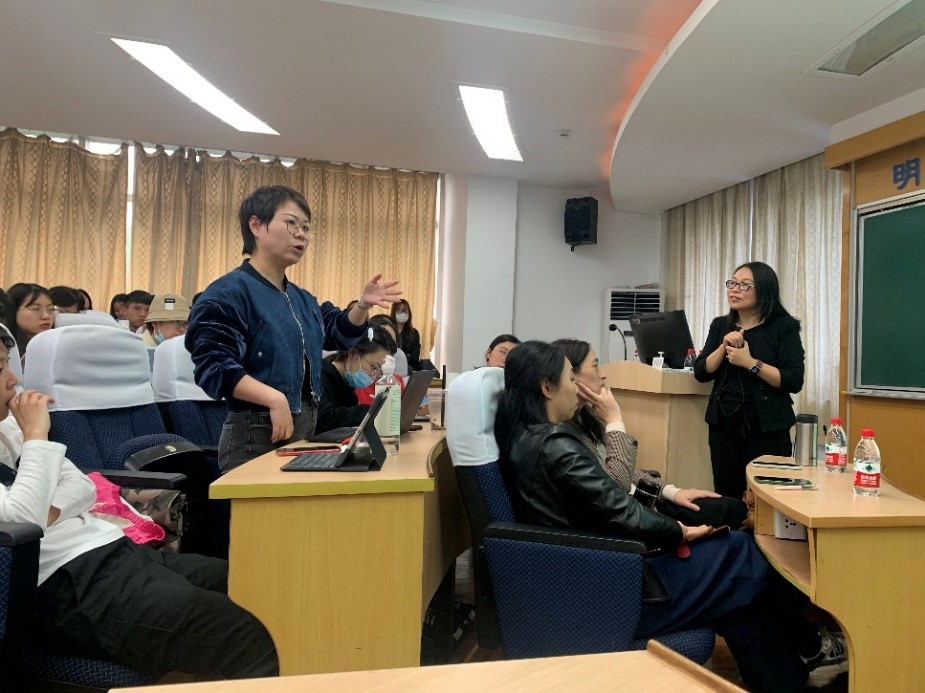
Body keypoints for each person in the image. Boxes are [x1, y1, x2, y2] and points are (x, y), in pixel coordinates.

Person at [495, 340, 847, 691]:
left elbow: (607, 498)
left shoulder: (527, 437)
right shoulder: (555, 444)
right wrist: (679, 531)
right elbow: (621, 508)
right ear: (547, 387)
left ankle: (794, 678)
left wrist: (670, 506)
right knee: (743, 552)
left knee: (737, 596)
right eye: (570, 379)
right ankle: (811, 649)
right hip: (615, 584)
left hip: (598, 572)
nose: (577, 387)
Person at [0, 333, 279, 679]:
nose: (13, 380)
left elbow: (83, 487)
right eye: (0, 369)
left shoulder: (8, 427)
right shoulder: (28, 431)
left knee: (263, 588)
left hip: (113, 549)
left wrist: (45, 508)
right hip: (64, 584)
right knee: (247, 631)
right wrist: (36, 438)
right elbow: (24, 523)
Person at [185, 185, 401, 473]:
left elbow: (339, 334)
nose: (302, 234)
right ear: (256, 225)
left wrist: (362, 305)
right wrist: (274, 398)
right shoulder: (228, 292)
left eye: (306, 228)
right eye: (291, 223)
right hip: (254, 439)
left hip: (302, 436)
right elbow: (214, 368)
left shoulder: (301, 299)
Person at [551, 338, 746, 529]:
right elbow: (617, 487)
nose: (603, 375)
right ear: (570, 377)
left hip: (643, 502)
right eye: (595, 366)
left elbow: (624, 471)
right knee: (733, 514)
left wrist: (672, 492)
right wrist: (614, 420)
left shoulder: (587, 415)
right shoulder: (562, 436)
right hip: (629, 518)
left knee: (732, 507)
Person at [694, 262, 805, 500]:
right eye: (732, 283)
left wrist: (750, 363)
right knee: (727, 496)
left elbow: (793, 380)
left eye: (744, 285)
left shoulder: (784, 327)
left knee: (769, 498)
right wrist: (723, 346)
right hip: (724, 427)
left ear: (764, 290)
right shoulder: (720, 325)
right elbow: (702, 372)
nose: (734, 289)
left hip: (768, 428)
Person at [316, 325, 398, 433]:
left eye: (380, 372)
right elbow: (322, 420)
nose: (375, 376)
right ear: (353, 354)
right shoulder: (318, 376)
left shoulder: (346, 387)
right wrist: (370, 412)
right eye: (374, 367)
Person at [8, 283, 57, 359]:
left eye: (50, 309)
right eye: (36, 309)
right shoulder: (5, 349)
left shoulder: (57, 346)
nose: (46, 316)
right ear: (13, 310)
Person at [391, 299, 421, 371]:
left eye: (405, 311)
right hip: (390, 369)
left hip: (408, 369)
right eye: (400, 311)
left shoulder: (414, 333)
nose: (403, 314)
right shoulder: (388, 330)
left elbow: (415, 356)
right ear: (394, 312)